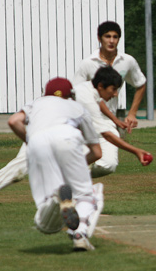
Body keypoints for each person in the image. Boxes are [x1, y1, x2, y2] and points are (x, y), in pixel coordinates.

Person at [0, 21, 148, 232]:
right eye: (113, 90)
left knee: (105, 163)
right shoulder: (85, 95)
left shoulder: (87, 90)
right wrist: (136, 150)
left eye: (115, 37)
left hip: (63, 133)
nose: (115, 94)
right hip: (62, 132)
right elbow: (105, 134)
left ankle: (63, 189)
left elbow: (15, 120)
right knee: (19, 170)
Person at [7, 77, 101, 251]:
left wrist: (29, 140)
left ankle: (57, 197)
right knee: (87, 196)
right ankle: (79, 234)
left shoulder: (35, 104)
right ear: (70, 94)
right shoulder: (77, 107)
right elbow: (96, 152)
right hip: (67, 136)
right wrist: (77, 166)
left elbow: (13, 121)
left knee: (45, 203)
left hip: (37, 141)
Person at [73, 21, 147, 177]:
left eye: (115, 37)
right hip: (85, 121)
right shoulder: (88, 63)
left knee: (109, 165)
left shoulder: (127, 61)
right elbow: (77, 93)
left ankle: (76, 176)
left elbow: (141, 83)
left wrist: (132, 113)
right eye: (107, 36)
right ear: (99, 38)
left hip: (108, 119)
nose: (112, 41)